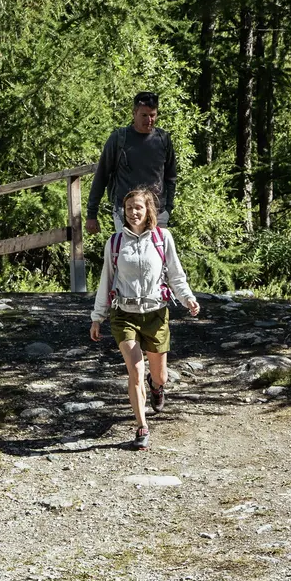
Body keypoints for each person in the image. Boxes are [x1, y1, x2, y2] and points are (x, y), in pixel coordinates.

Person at [89, 187, 199, 450]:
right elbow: (106, 280)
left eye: (138, 207)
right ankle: (142, 426)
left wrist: (188, 299)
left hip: (155, 313)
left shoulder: (163, 238)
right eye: (128, 208)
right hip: (124, 314)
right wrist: (97, 317)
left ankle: (157, 386)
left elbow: (176, 275)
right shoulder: (115, 242)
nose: (133, 212)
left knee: (159, 375)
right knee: (136, 369)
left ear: (148, 210)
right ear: (123, 212)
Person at [85, 91, 178, 235]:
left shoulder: (163, 139)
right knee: (127, 255)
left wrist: (168, 208)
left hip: (157, 213)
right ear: (134, 113)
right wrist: (91, 214)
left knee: (156, 257)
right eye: (144, 115)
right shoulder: (119, 139)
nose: (149, 120)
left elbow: (171, 177)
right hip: (126, 213)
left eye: (153, 115)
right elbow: (101, 176)